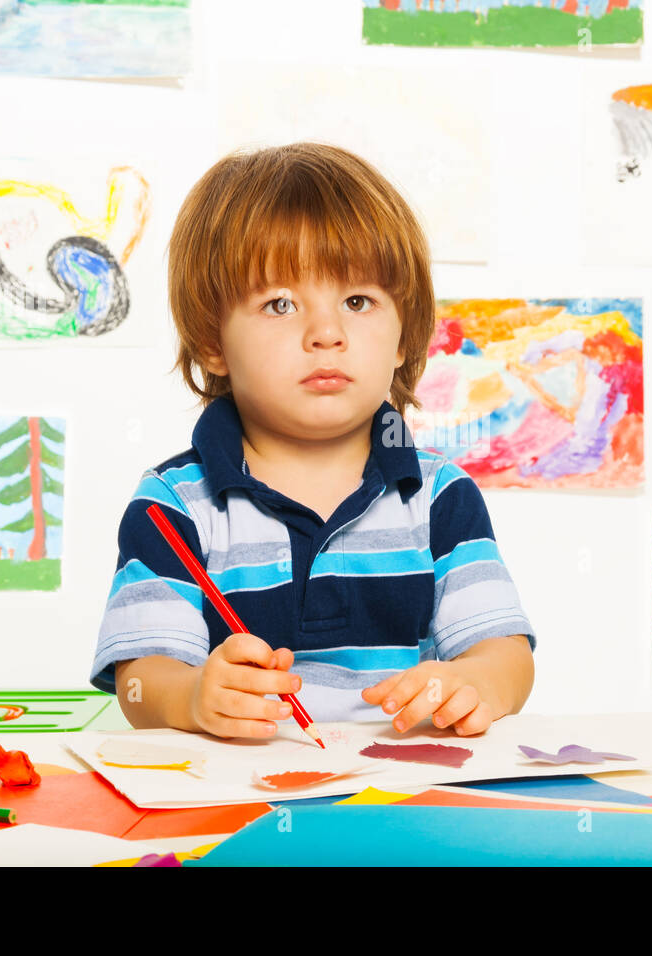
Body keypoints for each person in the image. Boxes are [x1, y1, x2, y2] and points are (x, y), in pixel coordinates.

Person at [90, 142, 536, 740]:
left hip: (403, 801)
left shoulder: (437, 498)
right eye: (279, 303)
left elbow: (507, 655)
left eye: (357, 301)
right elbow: (141, 681)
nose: (326, 333)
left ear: (404, 335)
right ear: (211, 340)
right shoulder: (175, 506)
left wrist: (477, 683)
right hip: (237, 802)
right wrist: (195, 697)